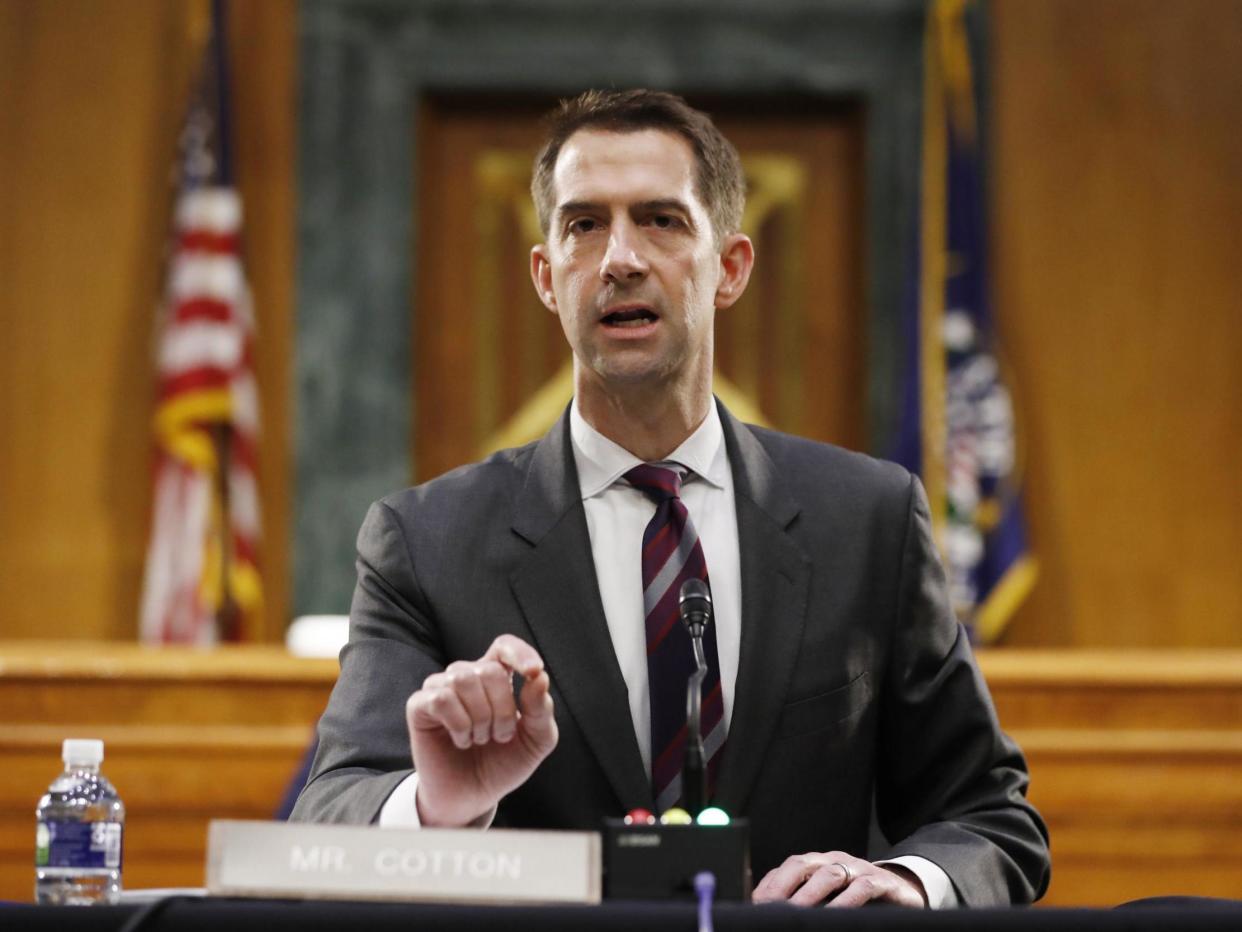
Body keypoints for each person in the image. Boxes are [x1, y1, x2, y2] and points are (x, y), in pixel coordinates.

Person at [291, 89, 1050, 908]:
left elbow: (989, 817)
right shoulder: (427, 542)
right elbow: (325, 825)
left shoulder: (867, 522)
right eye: (584, 225)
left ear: (730, 267)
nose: (620, 257)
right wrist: (440, 806)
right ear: (547, 277)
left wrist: (905, 880)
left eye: (661, 220)